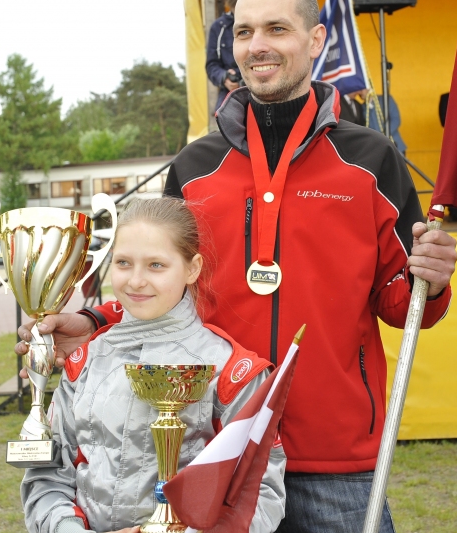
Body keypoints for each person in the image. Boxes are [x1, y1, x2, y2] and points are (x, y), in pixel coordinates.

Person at [19, 0, 457, 533]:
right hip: (211, 444)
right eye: (244, 31)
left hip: (335, 458)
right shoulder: (195, 167)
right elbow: (163, 281)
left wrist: (433, 280)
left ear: (317, 40)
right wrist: (91, 320)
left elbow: (402, 305)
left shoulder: (371, 160)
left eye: (277, 28)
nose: (258, 46)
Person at [21, 197, 285, 533]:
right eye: (124, 263)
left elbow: (259, 491)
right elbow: (48, 476)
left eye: (156, 265)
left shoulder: (231, 370)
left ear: (192, 268)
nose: (135, 281)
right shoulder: (84, 362)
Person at [206, 0, 249, 113]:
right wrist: (224, 77)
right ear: (231, 5)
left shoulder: (265, 23)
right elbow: (211, 65)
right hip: (229, 95)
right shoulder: (218, 27)